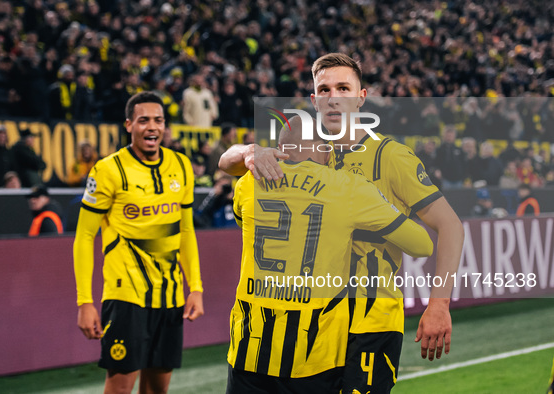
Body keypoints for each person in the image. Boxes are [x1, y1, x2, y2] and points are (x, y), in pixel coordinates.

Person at [219, 53, 464, 393]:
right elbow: (227, 165)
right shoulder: (303, 153)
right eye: (325, 89)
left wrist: (439, 303)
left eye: (344, 88)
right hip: (315, 328)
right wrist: (250, 150)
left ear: (361, 97)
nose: (334, 97)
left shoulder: (389, 156)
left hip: (369, 322)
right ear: (314, 99)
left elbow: (450, 226)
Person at [227, 116, 434, 393]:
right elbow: (422, 245)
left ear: (279, 149)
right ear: (323, 148)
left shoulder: (248, 183)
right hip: (313, 354)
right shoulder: (348, 188)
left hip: (248, 349)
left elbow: (242, 216)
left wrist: (250, 152)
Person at [73, 91, 204, 394]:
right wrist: (85, 302)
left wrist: (195, 286)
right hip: (126, 297)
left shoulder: (181, 166)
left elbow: (186, 232)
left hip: (170, 298)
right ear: (129, 125)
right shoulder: (108, 170)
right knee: (120, 387)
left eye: (158, 120)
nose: (152, 127)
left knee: (158, 388)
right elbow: (84, 236)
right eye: (143, 120)